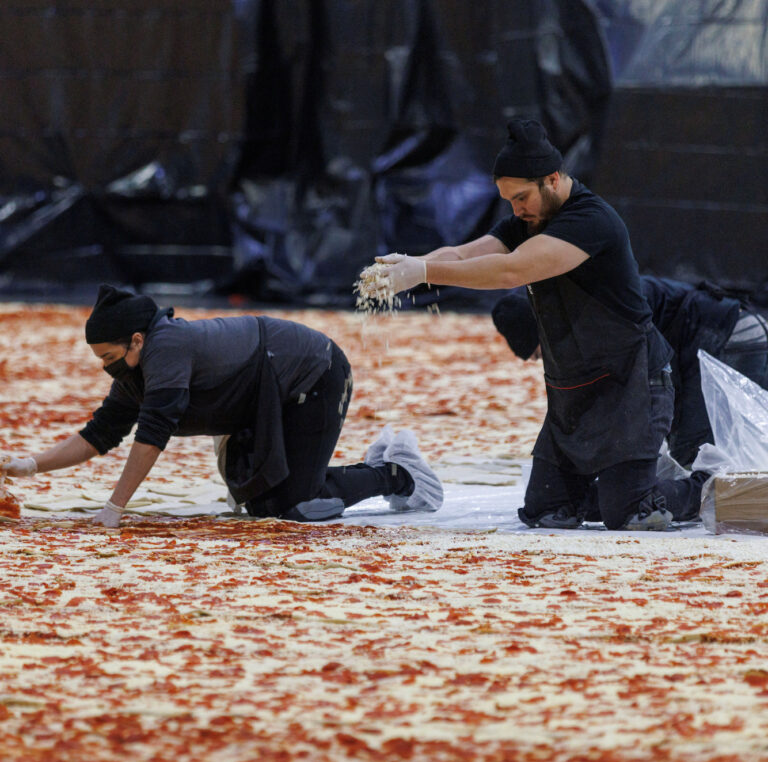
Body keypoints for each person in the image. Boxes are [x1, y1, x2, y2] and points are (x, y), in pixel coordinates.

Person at [359, 118, 706, 531]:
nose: (516, 209)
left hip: (632, 382)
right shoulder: (529, 220)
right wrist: (407, 266)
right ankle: (623, 485)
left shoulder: (591, 220)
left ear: (553, 179)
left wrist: (423, 272)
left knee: (630, 514)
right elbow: (465, 254)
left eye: (521, 197)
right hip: (574, 390)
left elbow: (511, 271)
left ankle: (704, 485)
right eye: (509, 200)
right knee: (545, 512)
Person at [0, 285, 443, 527]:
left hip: (314, 376)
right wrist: (29, 466)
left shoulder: (166, 346)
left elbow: (152, 434)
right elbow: (99, 435)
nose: (105, 369)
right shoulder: (133, 370)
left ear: (136, 340)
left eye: (108, 358)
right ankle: (370, 469)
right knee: (262, 504)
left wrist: (115, 507)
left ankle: (396, 474)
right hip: (263, 399)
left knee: (296, 506)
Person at [492, 278, 768, 467]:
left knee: (697, 452)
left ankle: (741, 503)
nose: (549, 360)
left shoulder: (592, 315)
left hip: (730, 335)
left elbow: (646, 378)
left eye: (541, 353)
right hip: (736, 329)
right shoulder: (577, 304)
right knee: (718, 445)